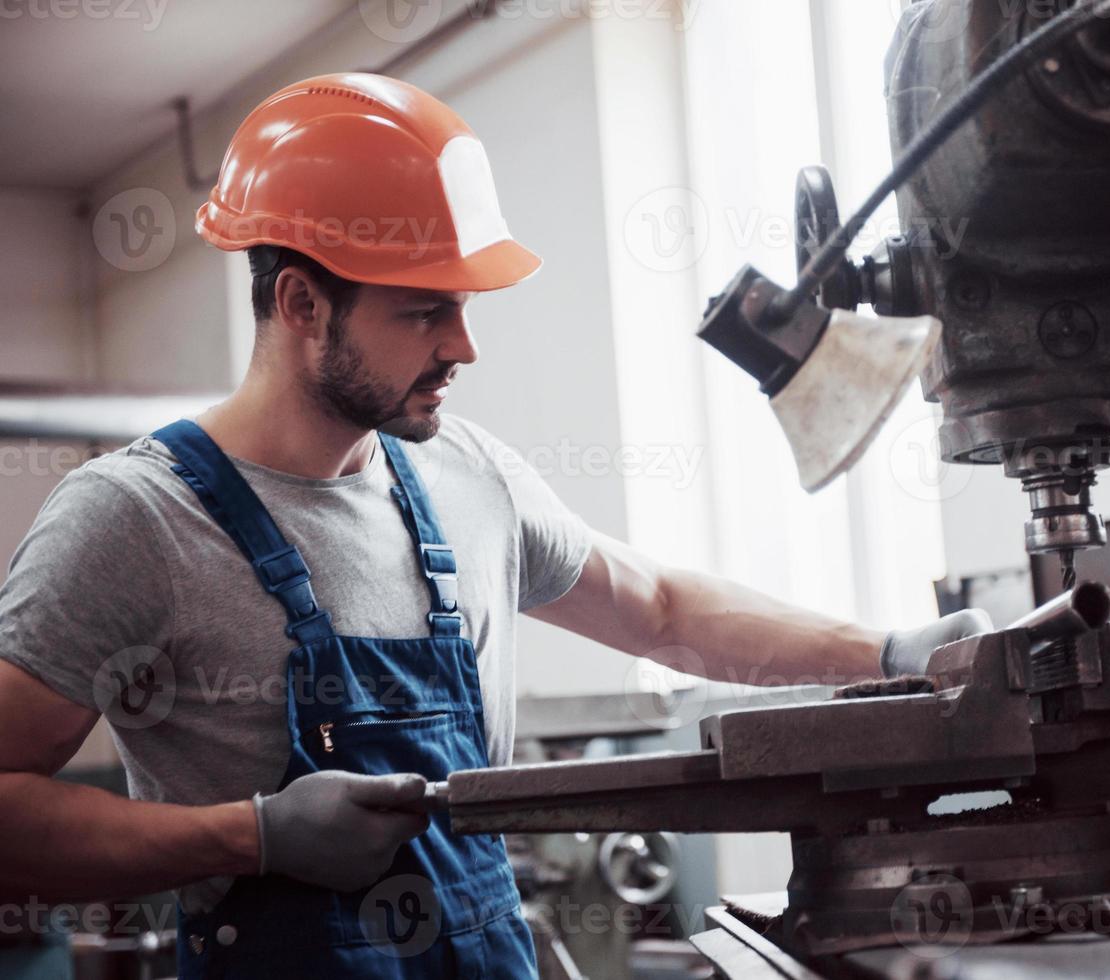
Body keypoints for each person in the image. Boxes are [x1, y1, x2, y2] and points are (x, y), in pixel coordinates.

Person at [0, 73, 991, 978]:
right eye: (424, 310)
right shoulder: (134, 516)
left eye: (463, 306)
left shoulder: (465, 473)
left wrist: (896, 651)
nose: (463, 345)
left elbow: (658, 607)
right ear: (302, 301)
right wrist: (249, 834)